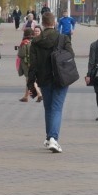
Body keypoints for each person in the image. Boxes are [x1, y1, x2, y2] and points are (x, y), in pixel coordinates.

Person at [27, 11, 73, 153]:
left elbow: (32, 64)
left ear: (43, 24)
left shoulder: (36, 41)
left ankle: (48, 138)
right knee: (57, 108)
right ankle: (53, 138)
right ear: (54, 23)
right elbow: (71, 55)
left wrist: (31, 83)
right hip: (60, 78)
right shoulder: (63, 38)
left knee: (48, 108)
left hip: (44, 79)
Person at [17, 26, 35, 101]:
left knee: (29, 80)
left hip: (27, 63)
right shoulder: (34, 41)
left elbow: (21, 54)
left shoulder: (24, 43)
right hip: (34, 62)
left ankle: (28, 96)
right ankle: (27, 96)